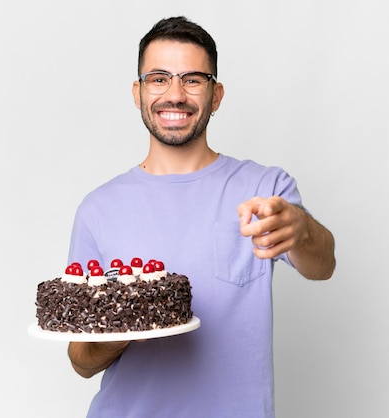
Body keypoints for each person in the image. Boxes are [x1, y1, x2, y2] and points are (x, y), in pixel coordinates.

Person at [66, 16, 335, 418]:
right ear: (138, 92)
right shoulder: (98, 209)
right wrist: (124, 328)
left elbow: (323, 264)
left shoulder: (264, 188)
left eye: (193, 79)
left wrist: (300, 229)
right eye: (158, 79)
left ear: (216, 94)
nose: (175, 94)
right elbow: (81, 361)